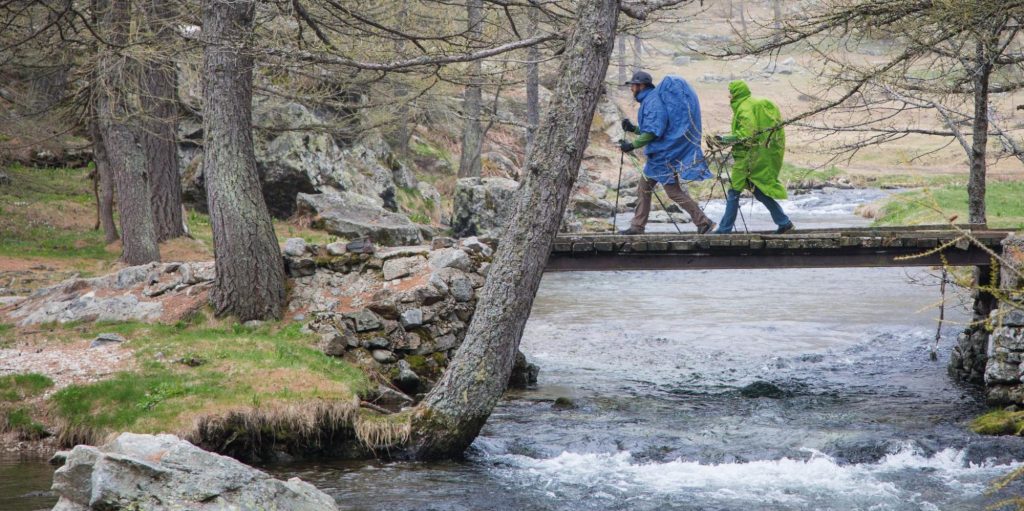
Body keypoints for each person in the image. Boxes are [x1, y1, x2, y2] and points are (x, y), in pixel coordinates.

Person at [618, 71, 716, 235]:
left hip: (662, 157)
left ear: (641, 86)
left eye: (633, 86)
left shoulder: (652, 102)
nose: (631, 89)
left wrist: (632, 145)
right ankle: (637, 226)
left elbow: (654, 131)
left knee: (673, 192)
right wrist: (633, 129)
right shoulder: (650, 100)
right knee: (644, 189)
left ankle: (704, 222)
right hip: (658, 157)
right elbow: (653, 127)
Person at [711, 80, 794, 234]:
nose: (728, 95)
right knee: (759, 191)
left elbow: (747, 135)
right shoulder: (750, 103)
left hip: (747, 158)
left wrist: (724, 139)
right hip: (757, 156)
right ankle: (784, 222)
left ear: (736, 93)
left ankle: (724, 229)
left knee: (733, 192)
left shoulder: (744, 108)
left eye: (730, 92)